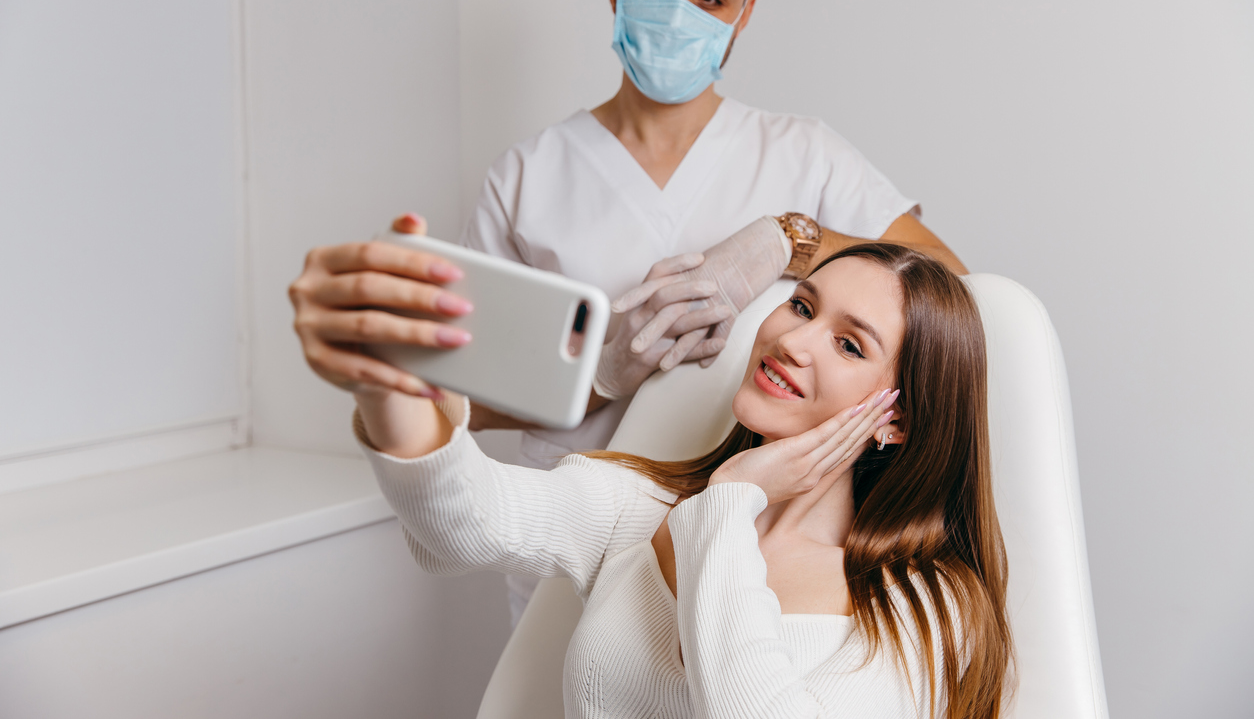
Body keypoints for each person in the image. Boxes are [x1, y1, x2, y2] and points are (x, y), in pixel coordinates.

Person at [292, 0, 968, 622]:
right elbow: (458, 397)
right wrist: (593, 377)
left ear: (744, 14)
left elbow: (955, 293)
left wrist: (788, 241)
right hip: (569, 550)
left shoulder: (804, 155)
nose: (678, 13)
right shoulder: (530, 177)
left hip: (755, 559)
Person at [323, 237, 1011, 718]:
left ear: (899, 421)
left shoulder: (924, 610)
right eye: (801, 306)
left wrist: (731, 500)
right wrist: (391, 392)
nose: (791, 341)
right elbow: (468, 522)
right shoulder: (641, 507)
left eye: (849, 343)